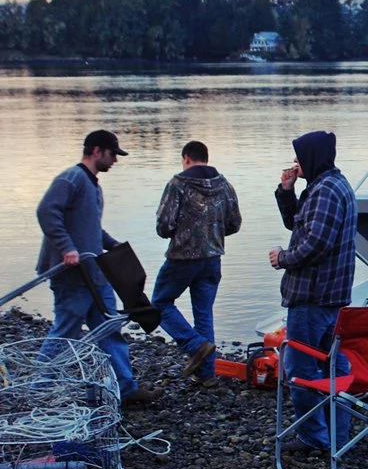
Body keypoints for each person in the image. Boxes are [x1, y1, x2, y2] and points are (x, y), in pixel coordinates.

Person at [36, 130, 162, 406]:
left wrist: (112, 244)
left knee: (110, 328)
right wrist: (67, 248)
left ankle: (126, 388)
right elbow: (47, 212)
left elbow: (90, 228)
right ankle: (38, 387)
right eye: (112, 154)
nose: (115, 160)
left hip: (95, 274)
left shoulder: (93, 185)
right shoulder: (71, 178)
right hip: (72, 275)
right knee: (66, 331)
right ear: (97, 151)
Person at [269, 130, 357, 453]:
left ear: (313, 157)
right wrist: (286, 191)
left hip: (312, 296)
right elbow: (299, 225)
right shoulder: (326, 186)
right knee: (334, 365)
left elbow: (315, 245)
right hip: (330, 296)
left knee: (301, 369)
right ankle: (337, 437)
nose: (295, 162)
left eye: (299, 156)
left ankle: (315, 439)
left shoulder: (326, 192)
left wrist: (283, 259)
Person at [151, 140, 242, 388]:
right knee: (204, 313)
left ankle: (194, 345)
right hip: (213, 259)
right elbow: (234, 223)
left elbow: (163, 226)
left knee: (159, 303)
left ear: (186, 158)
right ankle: (207, 373)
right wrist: (212, 234)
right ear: (206, 157)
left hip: (182, 258)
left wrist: (183, 233)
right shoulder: (224, 185)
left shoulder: (177, 184)